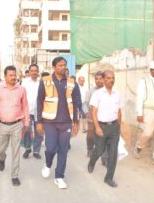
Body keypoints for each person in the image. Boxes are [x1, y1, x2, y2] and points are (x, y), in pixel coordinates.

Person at [37, 56, 81, 189]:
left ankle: (59, 177)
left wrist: (76, 122)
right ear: (54, 67)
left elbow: (76, 102)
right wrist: (38, 122)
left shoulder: (72, 82)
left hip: (66, 122)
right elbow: (39, 101)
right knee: (50, 148)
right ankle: (48, 163)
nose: (63, 67)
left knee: (63, 150)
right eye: (60, 65)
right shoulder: (45, 81)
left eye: (64, 65)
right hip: (50, 122)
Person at [0, 65, 29, 186]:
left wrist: (26, 122)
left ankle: (14, 175)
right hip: (2, 125)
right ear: (5, 77)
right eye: (10, 75)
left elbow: (25, 106)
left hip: (17, 125)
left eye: (14, 75)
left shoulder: (21, 89)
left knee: (16, 151)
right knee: (0, 149)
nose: (13, 77)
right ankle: (2, 158)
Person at [88, 70, 123, 188]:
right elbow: (94, 112)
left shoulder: (117, 94)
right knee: (99, 149)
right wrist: (97, 127)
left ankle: (109, 178)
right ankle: (92, 161)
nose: (111, 80)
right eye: (108, 78)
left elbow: (119, 111)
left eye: (113, 78)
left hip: (114, 127)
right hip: (101, 126)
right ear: (103, 80)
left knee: (113, 153)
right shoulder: (97, 94)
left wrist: (119, 126)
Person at [22, 64, 43, 159]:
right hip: (28, 111)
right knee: (27, 130)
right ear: (29, 72)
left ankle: (36, 151)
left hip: (39, 111)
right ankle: (27, 148)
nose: (34, 72)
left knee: (39, 131)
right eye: (32, 70)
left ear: (38, 72)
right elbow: (21, 95)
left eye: (36, 70)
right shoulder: (25, 82)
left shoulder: (42, 82)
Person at [86, 71, 106, 163]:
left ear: (104, 79)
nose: (98, 81)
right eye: (96, 79)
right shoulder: (91, 91)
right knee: (90, 135)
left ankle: (104, 157)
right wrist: (88, 113)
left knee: (103, 136)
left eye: (100, 79)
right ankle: (90, 148)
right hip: (91, 116)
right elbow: (86, 104)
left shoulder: (108, 90)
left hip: (104, 117)